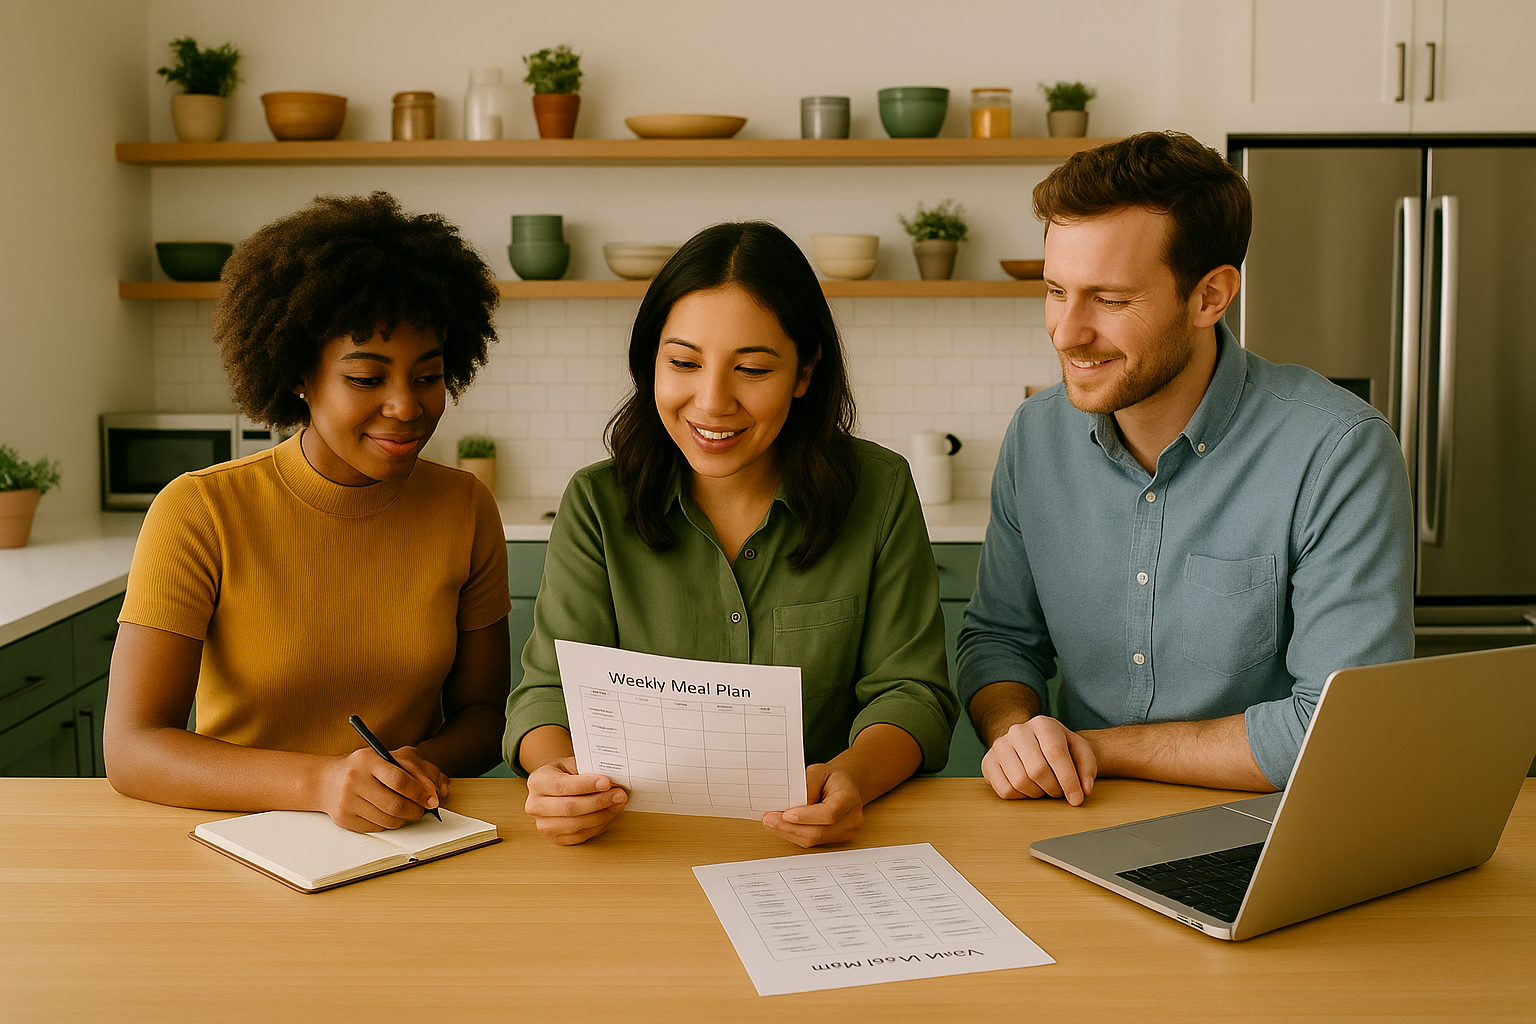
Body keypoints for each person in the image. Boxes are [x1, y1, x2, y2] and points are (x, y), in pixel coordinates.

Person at [957, 132, 1414, 804]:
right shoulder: (1036, 435)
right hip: (1076, 814)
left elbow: (1338, 728)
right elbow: (998, 641)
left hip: (1268, 830)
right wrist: (1019, 732)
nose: (1066, 332)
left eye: (1109, 300)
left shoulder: (1338, 450)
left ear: (1210, 297)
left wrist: (1095, 749)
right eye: (1056, 291)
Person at [506, 221, 957, 848]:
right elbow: (547, 694)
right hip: (637, 845)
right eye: (684, 362)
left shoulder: (878, 492)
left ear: (804, 372)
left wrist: (850, 777)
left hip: (817, 854)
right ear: (651, 364)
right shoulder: (596, 503)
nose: (712, 402)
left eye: (751, 369)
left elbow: (912, 693)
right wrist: (555, 776)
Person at [104, 192, 512, 833]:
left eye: (427, 376)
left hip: (406, 832)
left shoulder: (465, 507)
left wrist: (411, 769)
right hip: (243, 837)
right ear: (299, 374)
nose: (406, 406)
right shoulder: (200, 511)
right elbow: (132, 749)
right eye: (365, 378)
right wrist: (320, 783)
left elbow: (486, 715)